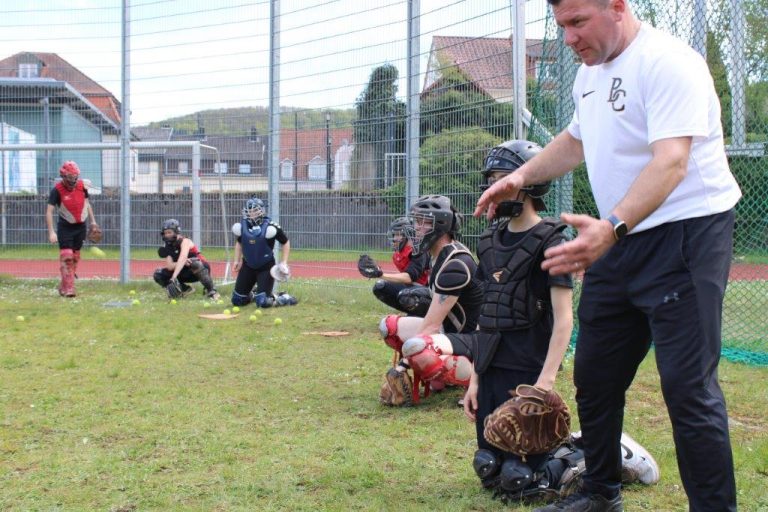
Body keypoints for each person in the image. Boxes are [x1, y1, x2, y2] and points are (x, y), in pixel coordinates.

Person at [475, 1, 741, 510]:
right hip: (616, 237)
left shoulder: (667, 62)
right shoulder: (589, 75)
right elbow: (577, 140)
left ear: (617, 7)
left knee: (687, 388)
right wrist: (521, 177)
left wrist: (613, 227)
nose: (570, 38)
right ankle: (600, 490)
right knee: (595, 377)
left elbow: (673, 162)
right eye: (561, 26)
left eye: (578, 22)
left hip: (685, 234)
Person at [379, 195, 484, 405]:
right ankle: (440, 378)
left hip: (474, 339)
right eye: (416, 221)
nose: (415, 228)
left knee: (418, 345)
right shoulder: (437, 255)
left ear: (441, 226)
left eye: (422, 222)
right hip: (451, 332)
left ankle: (479, 379)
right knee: (388, 326)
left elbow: (431, 325)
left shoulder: (455, 264)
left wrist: (401, 367)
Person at [230, 197, 297, 308]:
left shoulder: (271, 226)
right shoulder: (242, 227)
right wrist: (237, 260)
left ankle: (283, 298)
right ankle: (254, 293)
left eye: (255, 210)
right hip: (248, 266)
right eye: (250, 211)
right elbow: (239, 243)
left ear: (261, 210)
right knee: (237, 300)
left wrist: (284, 262)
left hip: (266, 267)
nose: (252, 213)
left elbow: (285, 242)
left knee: (263, 302)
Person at [46, 160, 99, 297]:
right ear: (63, 176)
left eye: (75, 177)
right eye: (70, 177)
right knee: (67, 256)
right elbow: (49, 212)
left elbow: (87, 205)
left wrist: (93, 222)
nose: (73, 180)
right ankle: (69, 288)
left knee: (75, 257)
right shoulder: (57, 190)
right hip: (65, 227)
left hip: (81, 226)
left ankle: (64, 286)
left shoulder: (82, 187)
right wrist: (52, 232)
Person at [362, 216, 430, 316]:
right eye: (394, 235)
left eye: (399, 235)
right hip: (416, 286)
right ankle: (410, 310)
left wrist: (380, 274)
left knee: (405, 294)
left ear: (409, 235)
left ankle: (422, 313)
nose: (395, 238)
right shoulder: (399, 254)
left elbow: (409, 278)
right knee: (380, 287)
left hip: (429, 290)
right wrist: (377, 270)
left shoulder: (419, 251)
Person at [153, 218, 220, 300]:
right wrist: (183, 263)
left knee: (195, 263)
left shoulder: (185, 241)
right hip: (183, 271)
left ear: (176, 232)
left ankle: (211, 291)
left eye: (169, 232)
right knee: (158, 274)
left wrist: (173, 278)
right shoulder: (167, 246)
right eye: (165, 233)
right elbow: (170, 266)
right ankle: (184, 290)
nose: (167, 235)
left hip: (199, 269)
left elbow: (183, 257)